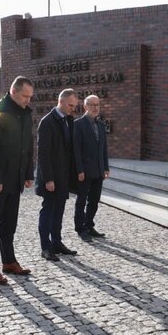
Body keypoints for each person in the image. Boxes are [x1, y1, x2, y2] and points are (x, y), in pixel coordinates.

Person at [0, 76, 35, 285]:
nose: (27, 100)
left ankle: (9, 261)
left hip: (15, 179)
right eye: (24, 96)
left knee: (9, 224)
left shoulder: (25, 113)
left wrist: (28, 173)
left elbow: (28, 146)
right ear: (13, 91)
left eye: (30, 97)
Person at [36, 88, 79, 261]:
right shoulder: (47, 122)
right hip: (51, 178)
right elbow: (43, 154)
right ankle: (45, 247)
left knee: (59, 211)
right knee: (48, 211)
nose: (72, 109)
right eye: (70, 105)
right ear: (61, 102)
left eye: (74, 106)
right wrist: (48, 179)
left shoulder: (68, 120)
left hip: (63, 177)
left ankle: (57, 242)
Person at [73, 95, 110, 242]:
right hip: (85, 171)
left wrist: (105, 167)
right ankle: (80, 229)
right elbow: (76, 150)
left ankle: (89, 225)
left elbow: (104, 148)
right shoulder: (78, 124)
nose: (95, 108)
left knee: (94, 200)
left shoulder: (100, 125)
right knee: (81, 201)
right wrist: (79, 170)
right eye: (92, 105)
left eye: (97, 105)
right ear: (85, 107)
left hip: (99, 170)